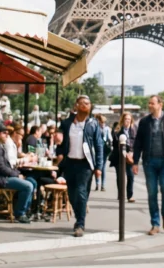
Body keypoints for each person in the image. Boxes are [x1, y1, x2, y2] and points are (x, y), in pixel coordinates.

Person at [55, 95, 104, 237]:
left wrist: (99, 167)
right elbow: (59, 141)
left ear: (90, 107)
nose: (84, 105)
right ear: (76, 106)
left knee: (82, 193)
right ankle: (78, 217)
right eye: (81, 103)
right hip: (70, 162)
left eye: (87, 103)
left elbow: (99, 146)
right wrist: (59, 153)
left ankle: (80, 224)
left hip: (85, 164)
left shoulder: (93, 124)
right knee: (71, 194)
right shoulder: (66, 123)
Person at [132, 96, 164, 235]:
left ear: (160, 104)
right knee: (152, 193)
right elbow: (138, 143)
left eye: (152, 103)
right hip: (149, 162)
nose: (149, 105)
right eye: (149, 103)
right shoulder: (144, 122)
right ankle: (155, 223)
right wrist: (135, 162)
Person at [0, 124, 34, 223]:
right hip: (1, 178)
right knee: (28, 185)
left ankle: (25, 210)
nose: (7, 136)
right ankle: (20, 213)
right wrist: (16, 175)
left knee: (32, 181)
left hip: (4, 176)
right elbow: (1, 168)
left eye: (7, 133)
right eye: (5, 133)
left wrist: (17, 173)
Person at [111, 112, 137, 203]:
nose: (127, 121)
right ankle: (121, 194)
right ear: (122, 120)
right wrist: (123, 151)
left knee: (130, 176)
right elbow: (114, 144)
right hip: (119, 157)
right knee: (120, 177)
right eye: (126, 119)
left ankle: (130, 195)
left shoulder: (134, 130)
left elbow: (136, 142)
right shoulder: (117, 130)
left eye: (129, 119)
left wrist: (132, 153)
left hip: (130, 157)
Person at [96, 115, 112, 191]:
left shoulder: (107, 129)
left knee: (103, 167)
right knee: (98, 167)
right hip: (98, 149)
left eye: (103, 122)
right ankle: (97, 183)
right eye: (101, 122)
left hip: (105, 149)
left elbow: (110, 138)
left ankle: (102, 185)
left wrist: (109, 143)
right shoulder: (97, 128)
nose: (102, 123)